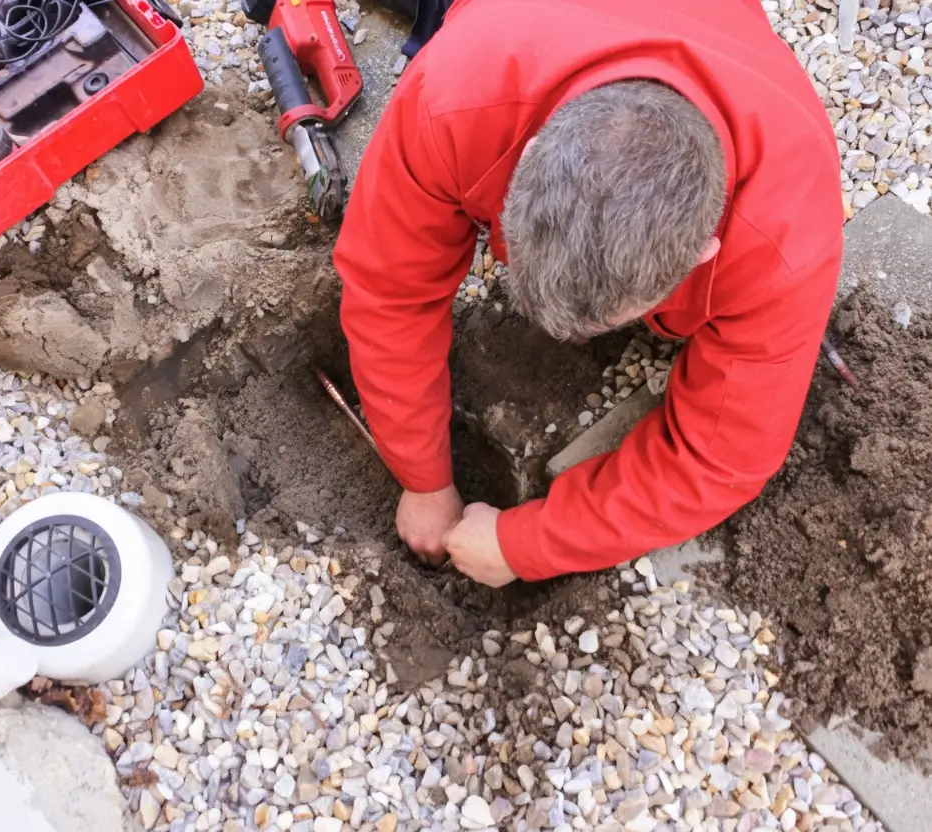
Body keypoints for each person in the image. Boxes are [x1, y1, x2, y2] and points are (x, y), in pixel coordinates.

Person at [332, 0, 844, 587]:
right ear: (526, 158)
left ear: (705, 253)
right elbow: (388, 290)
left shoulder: (784, 236)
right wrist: (423, 477)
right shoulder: (453, 98)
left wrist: (527, 544)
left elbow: (720, 458)